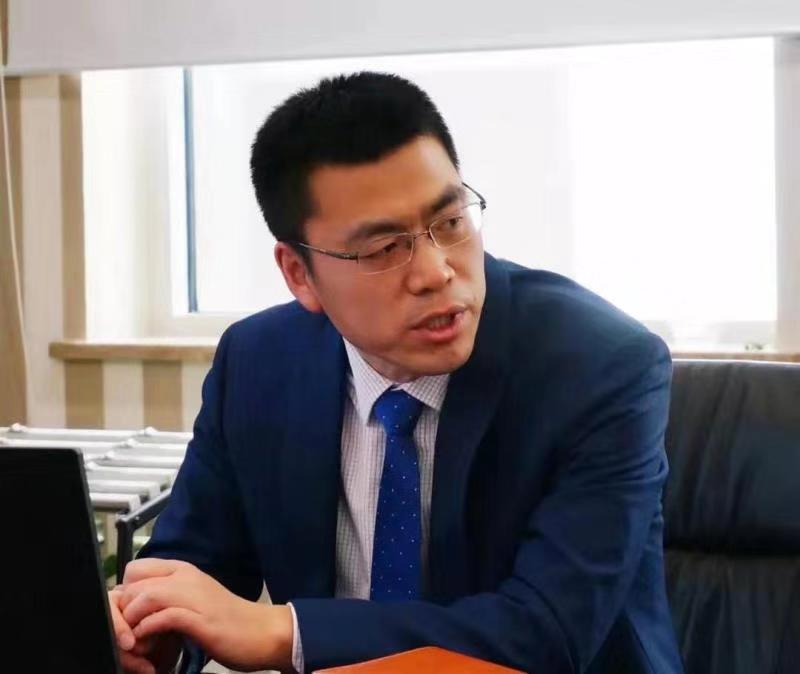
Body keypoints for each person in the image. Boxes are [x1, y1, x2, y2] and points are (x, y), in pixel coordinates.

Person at [108, 72, 684, 674]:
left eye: (450, 222)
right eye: (384, 248)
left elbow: (544, 635)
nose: (436, 272)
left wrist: (285, 631)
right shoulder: (258, 363)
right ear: (299, 274)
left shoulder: (600, 367)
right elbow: (191, 571)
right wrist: (151, 632)